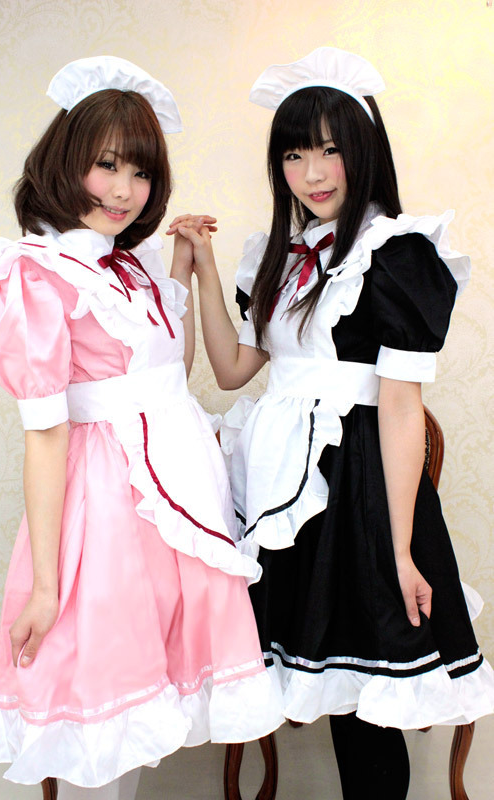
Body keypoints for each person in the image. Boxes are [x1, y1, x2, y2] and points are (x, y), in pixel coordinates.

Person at [169, 46, 494, 799]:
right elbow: (233, 369)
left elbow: (401, 408)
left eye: (328, 149)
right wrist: (205, 266)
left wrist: (401, 549)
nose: (311, 173)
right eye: (293, 154)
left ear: (363, 152)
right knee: (278, 676)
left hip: (357, 491)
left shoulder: (398, 253)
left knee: (365, 701)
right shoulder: (281, 256)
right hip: (276, 485)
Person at [0, 56, 284, 798]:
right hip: (105, 508)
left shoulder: (129, 269)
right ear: (65, 159)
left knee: (141, 704)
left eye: (140, 172)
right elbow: (46, 435)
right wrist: (47, 584)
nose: (123, 189)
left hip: (174, 498)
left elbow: (168, 374)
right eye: (106, 165)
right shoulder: (37, 274)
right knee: (101, 707)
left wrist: (183, 264)